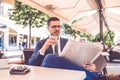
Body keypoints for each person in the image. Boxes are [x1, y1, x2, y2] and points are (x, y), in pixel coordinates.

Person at [28, 17, 120, 80]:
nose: (57, 29)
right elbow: (31, 63)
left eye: (59, 26)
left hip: (69, 73)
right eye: (53, 26)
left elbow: (77, 61)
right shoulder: (41, 43)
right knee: (49, 58)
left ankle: (96, 75)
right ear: (48, 28)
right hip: (49, 74)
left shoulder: (68, 42)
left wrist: (90, 66)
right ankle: (100, 77)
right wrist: (44, 48)